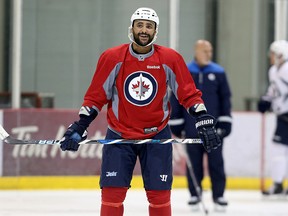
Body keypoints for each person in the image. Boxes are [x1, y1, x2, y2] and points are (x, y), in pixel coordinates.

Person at [59, 8, 221, 216]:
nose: (144, 30)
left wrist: (203, 120)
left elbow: (188, 94)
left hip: (157, 136)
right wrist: (80, 125)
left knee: (160, 197)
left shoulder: (170, 59)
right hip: (119, 136)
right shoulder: (112, 57)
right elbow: (96, 96)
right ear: (132, 28)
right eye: (140, 25)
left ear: (155, 31)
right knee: (112, 196)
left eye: (149, 26)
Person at [169, 40, 232, 207]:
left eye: (210, 51)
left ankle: (218, 195)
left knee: (216, 163)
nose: (208, 54)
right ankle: (195, 194)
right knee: (193, 164)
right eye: (205, 51)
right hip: (191, 129)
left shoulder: (218, 72)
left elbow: (225, 99)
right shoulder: (186, 71)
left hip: (214, 130)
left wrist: (225, 122)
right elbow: (175, 98)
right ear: (196, 51)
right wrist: (176, 123)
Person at [258, 39, 288, 196]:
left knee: (278, 150)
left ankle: (277, 184)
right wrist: (266, 100)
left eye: (273, 53)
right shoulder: (274, 71)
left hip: (285, 115)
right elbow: (274, 90)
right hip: (282, 115)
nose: (270, 56)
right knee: (281, 150)